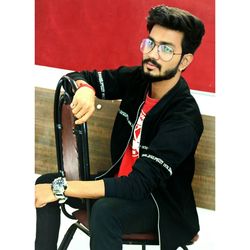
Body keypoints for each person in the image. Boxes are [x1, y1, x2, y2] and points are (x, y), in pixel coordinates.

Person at [35, 5, 205, 250]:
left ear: (185, 60)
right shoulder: (139, 80)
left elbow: (137, 186)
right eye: (150, 43)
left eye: (166, 49)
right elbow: (79, 76)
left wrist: (59, 189)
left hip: (160, 204)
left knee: (105, 211)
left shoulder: (183, 118)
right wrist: (85, 88)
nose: (153, 54)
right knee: (45, 181)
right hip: (120, 184)